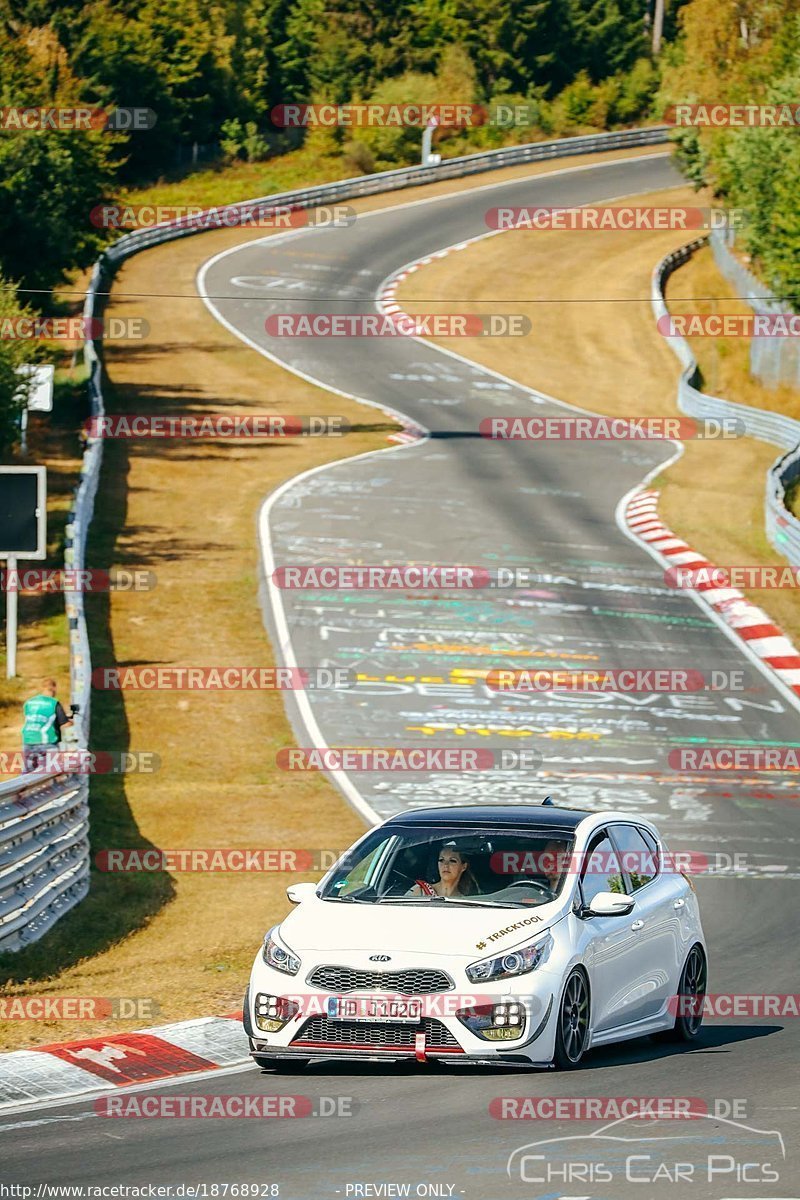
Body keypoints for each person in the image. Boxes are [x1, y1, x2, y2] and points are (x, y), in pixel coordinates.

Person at [21, 678, 73, 772]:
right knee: (51, 773)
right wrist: (72, 721)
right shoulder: (53, 703)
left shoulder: (29, 702)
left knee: (28, 772)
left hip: (28, 741)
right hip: (47, 743)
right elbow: (64, 724)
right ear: (54, 688)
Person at [407, 841, 479, 898]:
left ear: (463, 866)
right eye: (441, 860)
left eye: (452, 861)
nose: (445, 865)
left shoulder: (466, 901)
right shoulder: (419, 891)